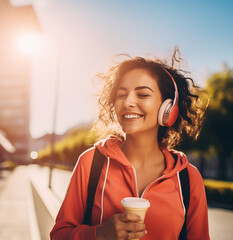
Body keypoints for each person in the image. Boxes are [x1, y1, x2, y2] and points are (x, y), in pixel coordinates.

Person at [50, 48, 210, 240]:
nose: (128, 102)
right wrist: (98, 234)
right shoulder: (91, 162)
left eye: (142, 95)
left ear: (168, 108)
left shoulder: (188, 178)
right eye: (121, 94)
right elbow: (59, 235)